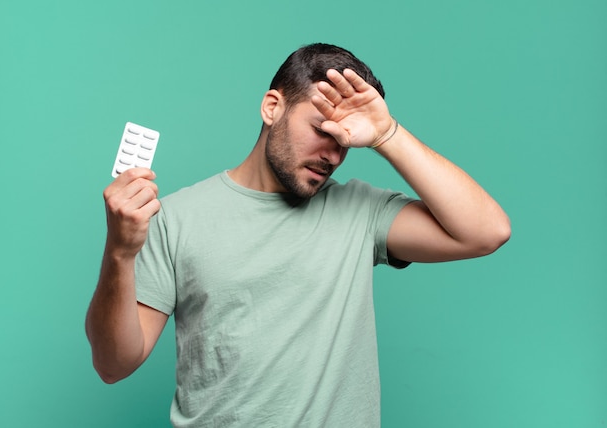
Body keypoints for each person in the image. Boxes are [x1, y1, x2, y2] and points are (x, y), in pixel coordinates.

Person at [86, 43, 510, 427]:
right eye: (323, 130)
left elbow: (486, 232)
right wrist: (120, 253)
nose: (333, 154)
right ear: (273, 107)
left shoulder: (362, 212)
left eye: (346, 140)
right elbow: (113, 364)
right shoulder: (175, 218)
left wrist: (386, 135)